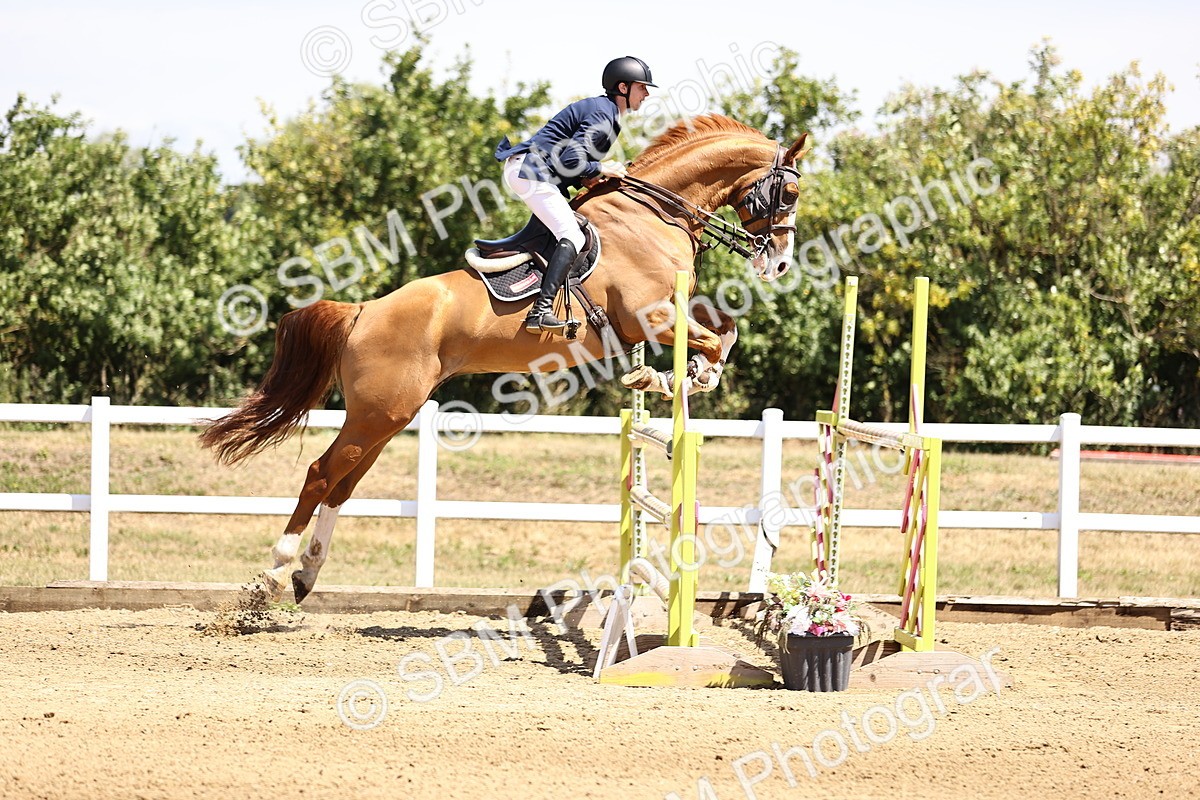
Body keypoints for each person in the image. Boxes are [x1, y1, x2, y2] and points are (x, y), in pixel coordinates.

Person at [494, 56, 655, 335]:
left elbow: (575, 165)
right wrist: (603, 167)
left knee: (569, 228)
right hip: (531, 170)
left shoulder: (608, 114)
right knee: (573, 235)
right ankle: (540, 312)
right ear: (623, 88)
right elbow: (571, 158)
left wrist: (594, 175)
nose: (647, 94)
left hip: (536, 171)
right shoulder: (604, 113)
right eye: (642, 87)